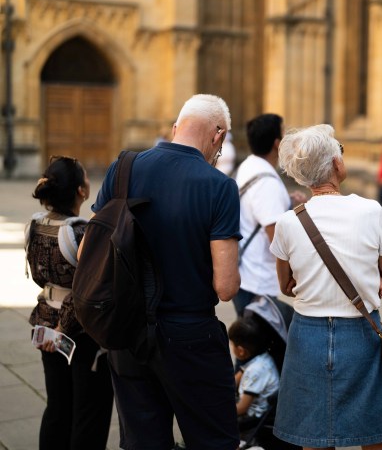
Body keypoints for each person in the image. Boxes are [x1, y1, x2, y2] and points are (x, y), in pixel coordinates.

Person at [87, 94, 242, 450]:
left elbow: (87, 250)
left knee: (143, 443)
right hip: (189, 336)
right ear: (218, 136)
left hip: (127, 333)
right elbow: (226, 286)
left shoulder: (123, 168)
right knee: (213, 440)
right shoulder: (219, 186)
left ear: (176, 127)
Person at [269, 124, 382, 450]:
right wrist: (373, 277)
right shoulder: (370, 211)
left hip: (308, 333)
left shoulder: (289, 221)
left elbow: (285, 285)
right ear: (337, 165)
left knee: (315, 433)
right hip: (360, 329)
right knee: (375, 432)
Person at [25, 155, 114, 450]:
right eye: (86, 178)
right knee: (89, 411)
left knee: (58, 406)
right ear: (81, 191)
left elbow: (41, 278)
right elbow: (88, 288)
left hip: (46, 325)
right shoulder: (81, 231)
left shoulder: (35, 225)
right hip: (80, 332)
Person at [232, 113, 306, 316]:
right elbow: (276, 239)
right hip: (258, 281)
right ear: (277, 143)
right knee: (260, 346)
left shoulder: (249, 165)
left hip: (247, 274)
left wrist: (287, 202)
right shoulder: (267, 183)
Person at [228, 317, 280, 433]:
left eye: (232, 345)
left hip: (254, 417)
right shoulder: (260, 357)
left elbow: (242, 408)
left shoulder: (256, 370)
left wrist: (217, 411)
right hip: (255, 409)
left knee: (215, 419)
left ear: (241, 350)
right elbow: (233, 381)